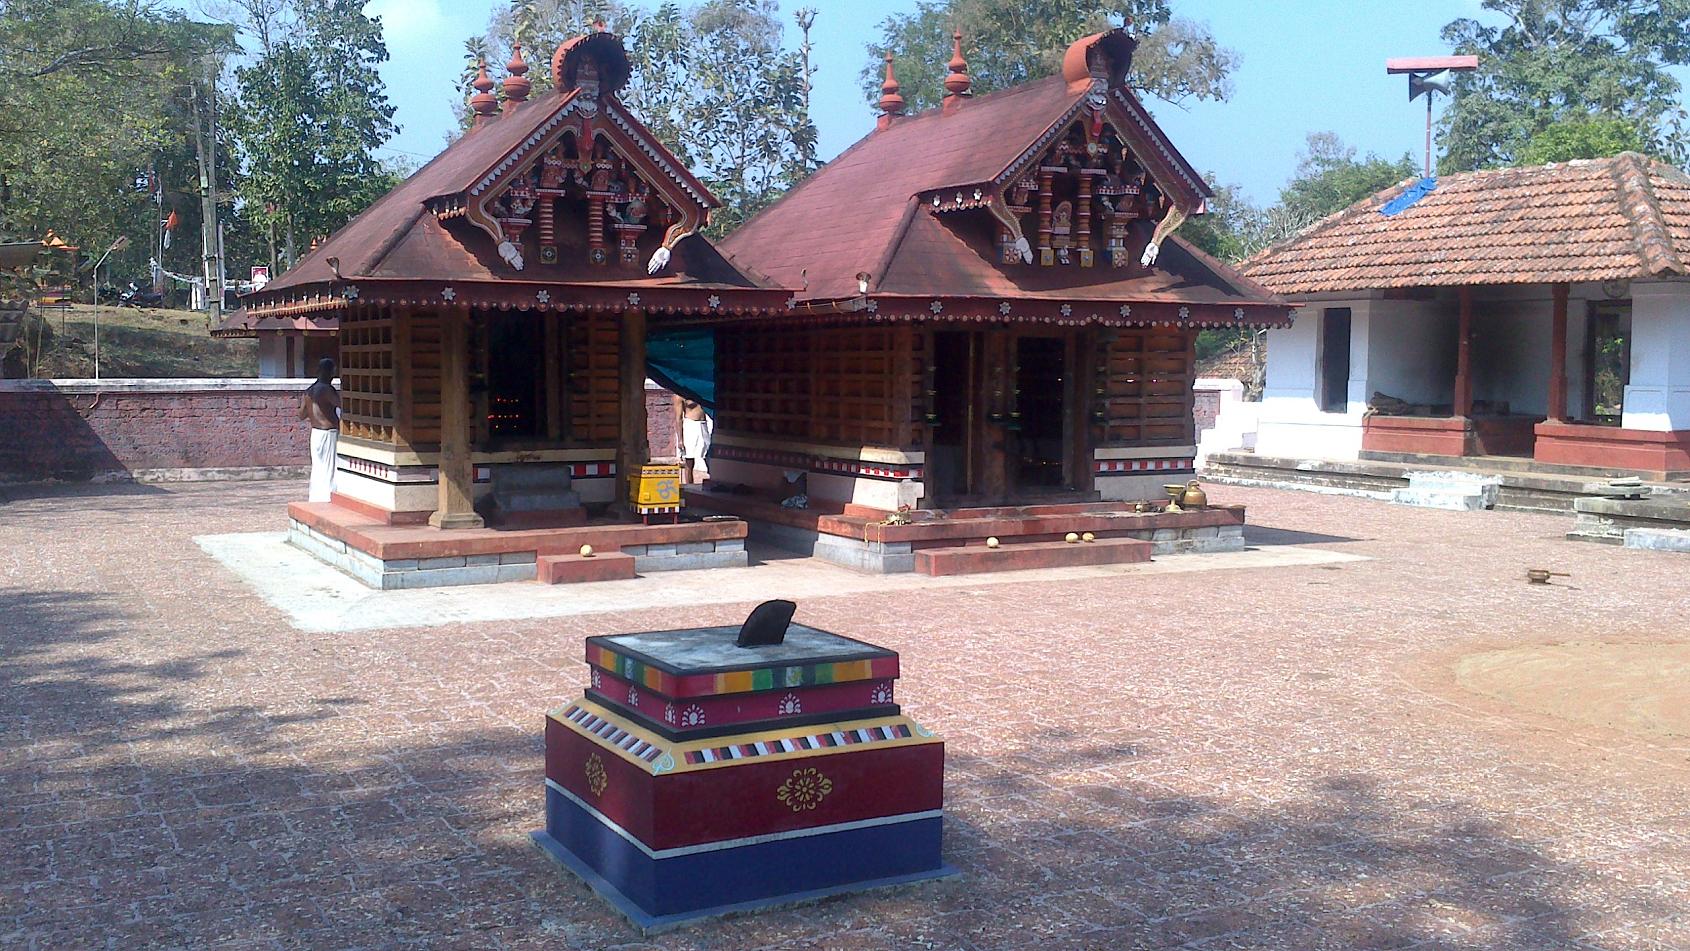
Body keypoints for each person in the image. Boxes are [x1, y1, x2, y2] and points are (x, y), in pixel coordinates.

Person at [298, 357, 341, 502]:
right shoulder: (327, 390)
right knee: (330, 469)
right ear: (330, 372)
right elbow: (343, 406)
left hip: (315, 433)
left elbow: (301, 415)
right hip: (328, 433)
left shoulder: (309, 391)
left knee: (318, 468)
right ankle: (328, 498)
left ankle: (316, 497)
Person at [673, 394, 712, 484]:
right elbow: (678, 418)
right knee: (689, 460)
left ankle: (713, 480)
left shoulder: (698, 390)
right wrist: (680, 439)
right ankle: (689, 486)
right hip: (690, 425)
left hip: (703, 424)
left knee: (708, 455)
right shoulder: (679, 395)